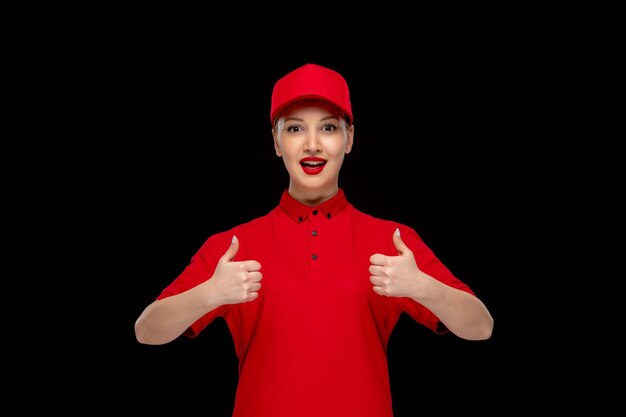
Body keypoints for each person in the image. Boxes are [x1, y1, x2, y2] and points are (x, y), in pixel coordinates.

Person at [134, 62, 494, 417]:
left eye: (327, 127)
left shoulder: (393, 241)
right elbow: (147, 330)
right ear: (276, 142)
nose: (312, 144)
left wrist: (422, 286)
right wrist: (209, 293)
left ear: (349, 138)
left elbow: (481, 327)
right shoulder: (232, 246)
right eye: (294, 129)